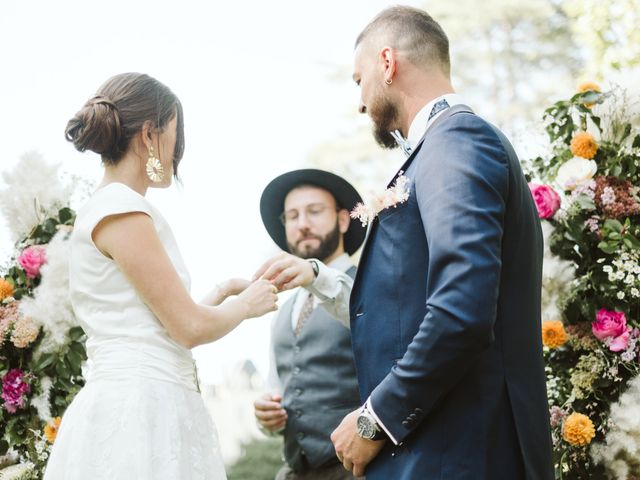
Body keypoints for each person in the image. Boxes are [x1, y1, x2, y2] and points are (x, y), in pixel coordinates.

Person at [330, 7, 554, 480]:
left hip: (464, 456)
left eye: (358, 80)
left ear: (387, 62)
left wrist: (375, 419)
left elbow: (461, 310)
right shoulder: (442, 147)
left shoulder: (457, 140)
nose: (360, 102)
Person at [44, 72, 278, 480]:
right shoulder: (121, 208)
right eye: (175, 134)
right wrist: (247, 306)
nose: (177, 150)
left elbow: (157, 327)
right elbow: (187, 328)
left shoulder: (113, 207)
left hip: (144, 399)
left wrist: (221, 292)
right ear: (150, 136)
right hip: (139, 411)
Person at [252, 169, 366, 480]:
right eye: (292, 216)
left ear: (343, 220)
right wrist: (266, 417)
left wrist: (316, 274)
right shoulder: (282, 309)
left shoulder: (370, 285)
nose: (303, 224)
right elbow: (278, 386)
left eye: (314, 211)